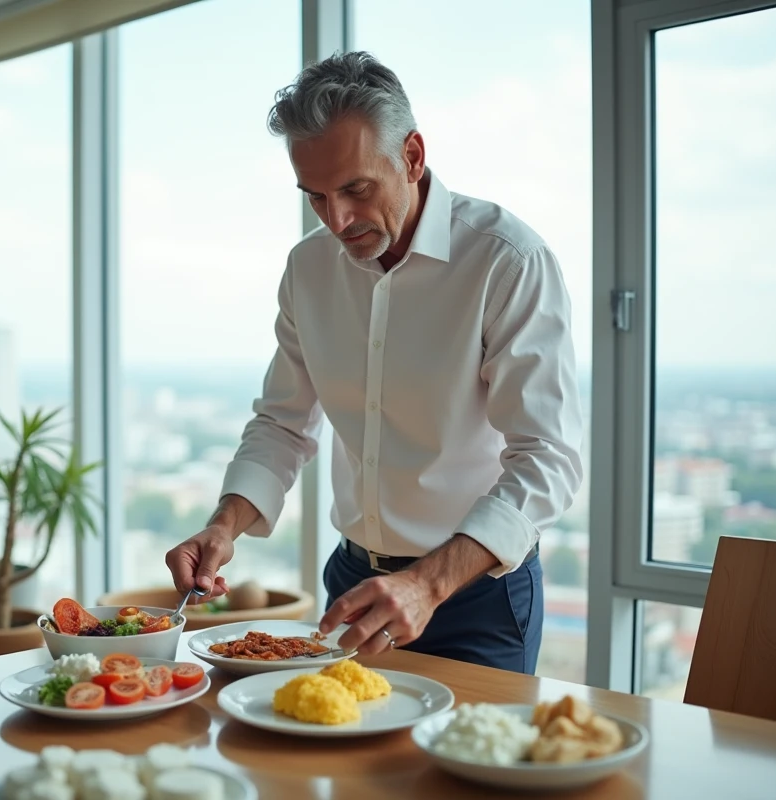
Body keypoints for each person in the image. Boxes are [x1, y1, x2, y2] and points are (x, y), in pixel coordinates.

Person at [164, 52, 584, 675]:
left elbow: (548, 456)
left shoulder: (506, 261)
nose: (337, 220)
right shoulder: (307, 271)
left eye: (356, 189)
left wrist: (428, 584)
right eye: (316, 197)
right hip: (353, 587)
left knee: (465, 773)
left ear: (412, 156)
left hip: (476, 598)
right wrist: (223, 525)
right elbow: (282, 424)